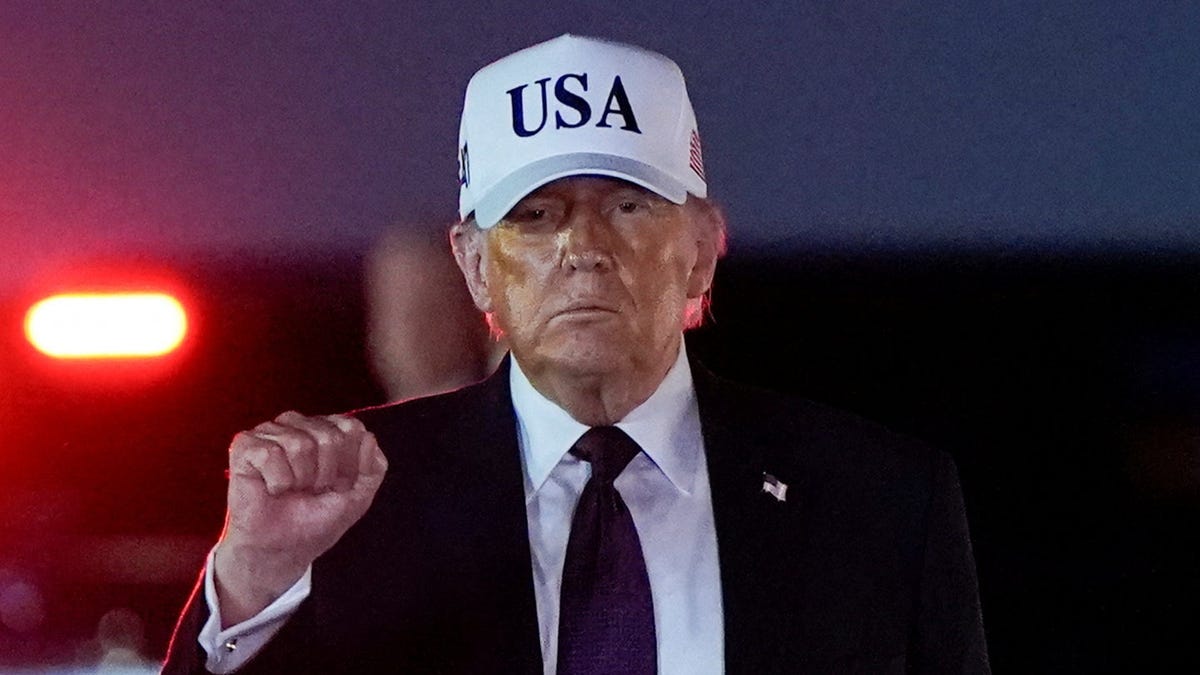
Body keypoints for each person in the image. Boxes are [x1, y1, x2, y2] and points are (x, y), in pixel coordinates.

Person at [162, 34, 989, 674]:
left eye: (628, 206)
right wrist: (255, 581)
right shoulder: (355, 501)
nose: (583, 249)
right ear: (475, 265)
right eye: (536, 216)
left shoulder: (879, 499)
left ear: (701, 249)